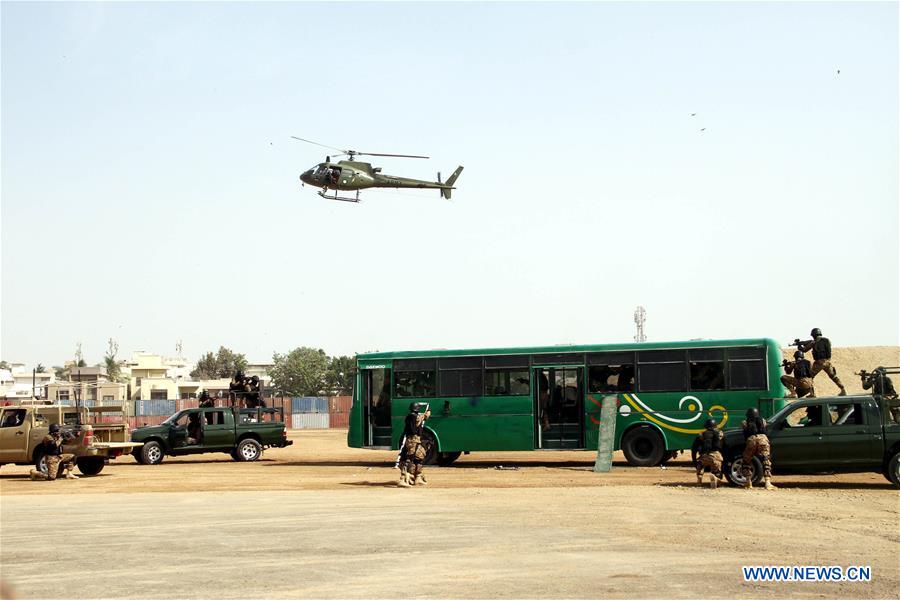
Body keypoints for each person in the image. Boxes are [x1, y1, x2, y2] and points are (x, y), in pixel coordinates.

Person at [798, 328, 847, 396]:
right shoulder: (826, 340)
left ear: (814, 335)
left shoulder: (814, 342)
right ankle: (843, 390)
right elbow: (828, 351)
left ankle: (812, 394)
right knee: (833, 376)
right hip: (827, 361)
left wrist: (799, 345)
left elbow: (804, 350)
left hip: (819, 362)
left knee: (809, 376)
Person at [741, 408, 775, 490]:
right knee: (766, 459)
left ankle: (748, 482)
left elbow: (745, 433)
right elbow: (766, 429)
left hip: (751, 440)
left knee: (746, 461)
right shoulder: (762, 420)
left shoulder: (745, 422)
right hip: (763, 439)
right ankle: (767, 483)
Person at [398, 403, 430, 488]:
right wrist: (427, 413)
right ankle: (403, 479)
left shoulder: (412, 416)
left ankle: (418, 477)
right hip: (412, 439)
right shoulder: (413, 417)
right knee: (409, 458)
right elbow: (421, 418)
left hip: (415, 439)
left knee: (419, 457)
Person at [694, 418, 724, 489]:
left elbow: (694, 448)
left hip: (704, 456)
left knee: (700, 465)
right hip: (715, 457)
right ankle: (716, 477)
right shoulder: (720, 434)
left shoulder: (701, 435)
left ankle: (699, 479)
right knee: (717, 470)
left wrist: (695, 461)